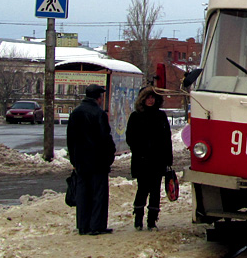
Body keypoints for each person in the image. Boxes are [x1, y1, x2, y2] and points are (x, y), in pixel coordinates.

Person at [66, 84, 116, 236]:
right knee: (99, 194)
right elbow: (105, 138)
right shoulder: (99, 114)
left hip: (81, 161)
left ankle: (83, 225)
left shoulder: (75, 113)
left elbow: (70, 139)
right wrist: (110, 156)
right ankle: (97, 225)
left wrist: (74, 160)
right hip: (98, 161)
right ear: (99, 98)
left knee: (83, 193)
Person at [125, 86, 173, 230]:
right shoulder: (136, 116)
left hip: (158, 160)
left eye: (153, 97)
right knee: (142, 189)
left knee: (155, 191)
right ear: (142, 100)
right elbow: (130, 138)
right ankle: (138, 218)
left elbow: (167, 139)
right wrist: (140, 151)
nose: (151, 100)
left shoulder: (161, 116)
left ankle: (152, 220)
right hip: (142, 160)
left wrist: (168, 159)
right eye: (148, 98)